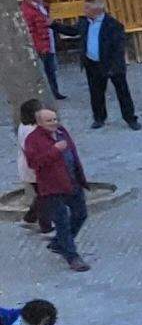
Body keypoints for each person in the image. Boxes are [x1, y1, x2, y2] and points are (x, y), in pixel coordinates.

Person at [18, 99, 88, 272]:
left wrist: (79, 176)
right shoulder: (33, 139)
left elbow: (73, 153)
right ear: (40, 123)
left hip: (72, 182)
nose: (54, 123)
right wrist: (55, 150)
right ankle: (72, 256)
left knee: (80, 214)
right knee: (62, 221)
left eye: (55, 119)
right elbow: (35, 162)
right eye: (49, 121)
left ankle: (59, 243)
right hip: (52, 187)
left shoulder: (62, 132)